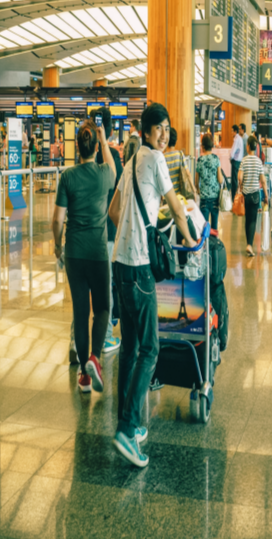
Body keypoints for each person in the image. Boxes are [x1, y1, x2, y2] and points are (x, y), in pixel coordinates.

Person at [108, 102, 198, 468]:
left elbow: (113, 211)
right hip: (139, 266)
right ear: (146, 131)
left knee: (130, 348)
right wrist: (191, 240)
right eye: (158, 127)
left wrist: (133, 229)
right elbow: (176, 207)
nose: (164, 133)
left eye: (166, 127)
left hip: (119, 262)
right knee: (149, 349)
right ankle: (127, 430)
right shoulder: (157, 160)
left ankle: (126, 421)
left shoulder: (131, 162)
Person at [51, 120, 116, 396]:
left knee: (80, 313)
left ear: (77, 147)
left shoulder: (67, 177)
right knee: (102, 308)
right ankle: (95, 358)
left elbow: (57, 220)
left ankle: (84, 377)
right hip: (98, 253)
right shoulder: (104, 174)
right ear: (95, 147)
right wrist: (104, 140)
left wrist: (57, 246)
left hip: (74, 254)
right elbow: (114, 170)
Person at [94, 108, 124, 354]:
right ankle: (105, 337)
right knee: (106, 284)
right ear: (110, 129)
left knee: (85, 289)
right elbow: (119, 186)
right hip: (108, 229)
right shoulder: (112, 155)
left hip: (87, 230)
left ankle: (77, 341)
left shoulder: (85, 155)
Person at [238, 135, 269, 257]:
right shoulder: (258, 161)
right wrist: (266, 195)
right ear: (255, 147)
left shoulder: (244, 160)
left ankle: (249, 244)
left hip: (246, 194)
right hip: (256, 194)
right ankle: (249, 245)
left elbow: (239, 177)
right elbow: (263, 180)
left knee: (247, 219)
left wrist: (241, 185)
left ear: (247, 146)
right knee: (253, 220)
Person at [196, 132, 223, 230]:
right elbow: (220, 180)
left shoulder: (199, 160)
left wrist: (199, 190)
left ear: (203, 146)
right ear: (212, 145)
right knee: (214, 228)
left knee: (204, 228)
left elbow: (196, 182)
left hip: (204, 198)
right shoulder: (216, 159)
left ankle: (206, 240)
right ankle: (214, 240)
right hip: (215, 197)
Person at [162, 127, 183, 192]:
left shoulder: (162, 157)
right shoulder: (180, 154)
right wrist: (194, 190)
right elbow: (188, 173)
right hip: (179, 194)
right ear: (176, 141)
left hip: (167, 194)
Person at [230, 124, 244, 200]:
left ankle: (233, 198)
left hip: (235, 161)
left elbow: (232, 152)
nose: (231, 132)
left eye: (232, 131)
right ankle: (236, 197)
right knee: (237, 180)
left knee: (234, 181)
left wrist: (230, 158)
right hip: (239, 162)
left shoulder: (236, 139)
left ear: (235, 131)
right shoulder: (240, 138)